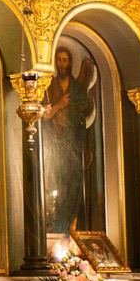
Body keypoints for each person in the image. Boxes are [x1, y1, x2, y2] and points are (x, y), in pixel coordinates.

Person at [42, 47, 92, 234]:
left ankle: (69, 226)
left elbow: (84, 113)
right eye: (59, 60)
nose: (62, 64)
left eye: (65, 60)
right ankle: (55, 226)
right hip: (53, 143)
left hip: (73, 143)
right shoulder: (49, 86)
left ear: (70, 63)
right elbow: (44, 115)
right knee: (55, 183)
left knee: (72, 185)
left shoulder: (77, 88)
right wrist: (60, 105)